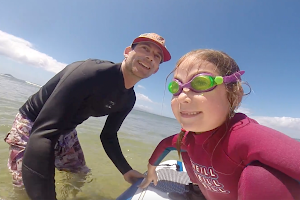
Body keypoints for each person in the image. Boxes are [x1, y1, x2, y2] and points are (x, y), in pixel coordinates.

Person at [4, 33, 171, 200]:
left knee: (79, 174)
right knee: (26, 189)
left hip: (67, 131)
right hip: (32, 124)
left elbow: (109, 136)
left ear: (156, 69)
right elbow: (44, 133)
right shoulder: (90, 73)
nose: (150, 57)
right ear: (127, 52)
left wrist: (126, 170)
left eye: (157, 56)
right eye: (145, 49)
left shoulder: (128, 99)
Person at [139, 49, 300, 200]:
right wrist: (151, 171)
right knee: (185, 151)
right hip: (203, 194)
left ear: (235, 96)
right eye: (176, 87)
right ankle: (196, 187)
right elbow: (165, 144)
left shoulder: (243, 136)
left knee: (260, 176)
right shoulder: (188, 138)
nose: (182, 96)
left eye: (200, 83)